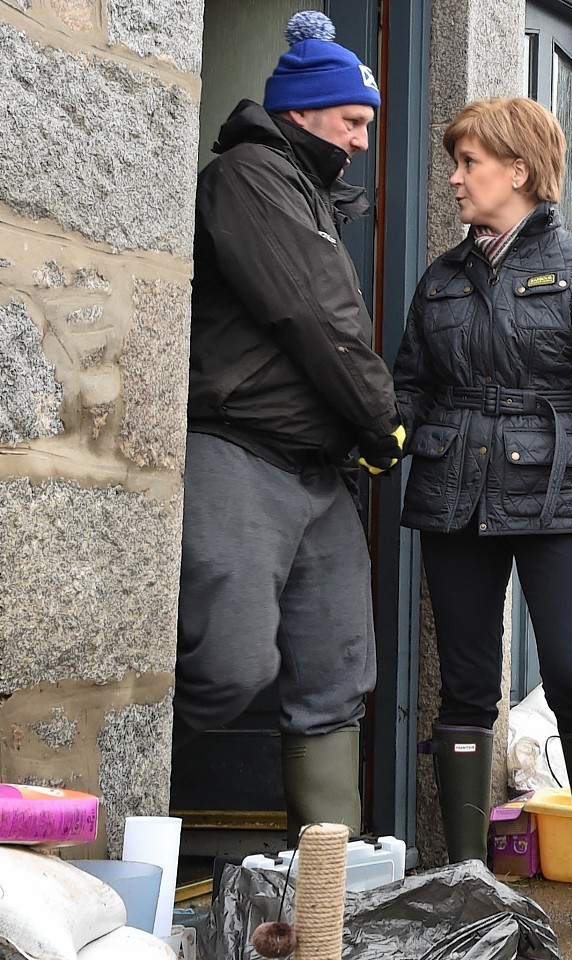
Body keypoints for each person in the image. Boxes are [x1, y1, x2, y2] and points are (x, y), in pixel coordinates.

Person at [394, 97, 572, 933]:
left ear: (520, 172)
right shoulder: (441, 279)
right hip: (453, 497)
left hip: (559, 502)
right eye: (456, 162)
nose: (457, 178)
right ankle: (470, 876)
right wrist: (374, 427)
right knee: (466, 686)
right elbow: (410, 385)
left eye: (469, 163)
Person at [175, 11, 404, 847]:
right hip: (239, 451)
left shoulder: (314, 192)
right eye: (352, 122)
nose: (363, 141)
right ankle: (111, 824)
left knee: (339, 673)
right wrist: (384, 419)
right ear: (302, 111)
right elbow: (317, 314)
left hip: (317, 473)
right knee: (232, 667)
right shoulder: (249, 175)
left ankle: (326, 903)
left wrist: (364, 429)